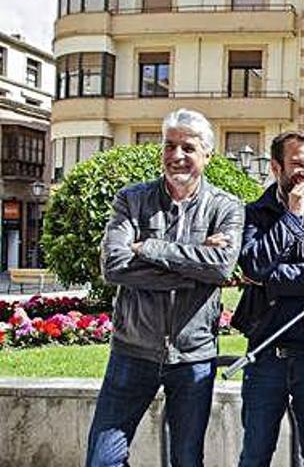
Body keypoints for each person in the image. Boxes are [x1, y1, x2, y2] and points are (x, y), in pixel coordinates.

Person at [87, 108, 244, 467]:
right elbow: (114, 266)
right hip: (132, 351)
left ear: (207, 154)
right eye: (169, 146)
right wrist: (196, 266)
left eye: (188, 147)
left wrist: (149, 248)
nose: (176, 156)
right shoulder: (132, 200)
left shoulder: (226, 206)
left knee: (187, 461)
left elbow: (221, 267)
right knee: (102, 459)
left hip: (193, 357)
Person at [232, 131, 304, 467]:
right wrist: (292, 217)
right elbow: (252, 263)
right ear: (275, 167)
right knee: (255, 454)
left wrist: (270, 280)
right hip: (265, 351)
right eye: (298, 164)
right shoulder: (254, 213)